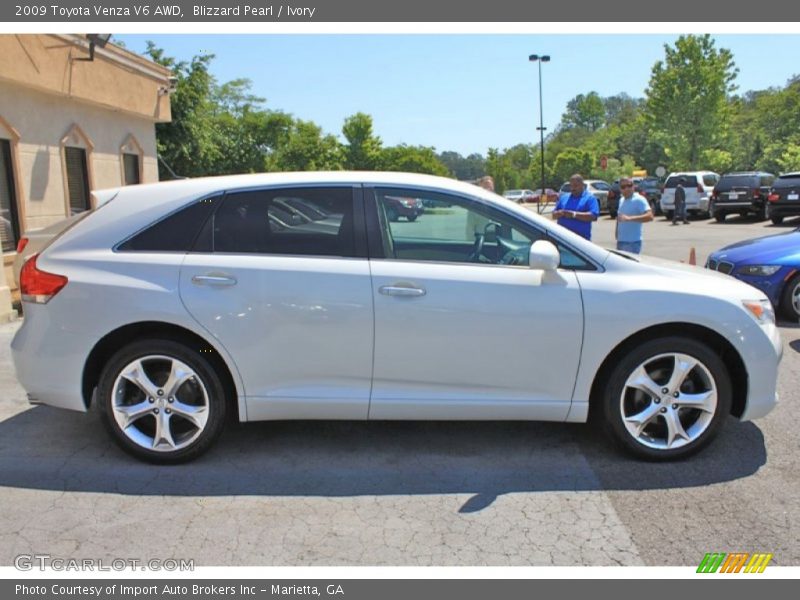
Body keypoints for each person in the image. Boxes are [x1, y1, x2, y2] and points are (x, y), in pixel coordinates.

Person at [552, 174, 599, 240]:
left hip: (581, 240)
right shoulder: (564, 197)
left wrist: (574, 215)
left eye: (575, 186)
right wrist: (558, 213)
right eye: (571, 186)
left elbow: (593, 216)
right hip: (563, 239)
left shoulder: (590, 198)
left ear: (582, 185)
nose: (573, 188)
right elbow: (553, 215)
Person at [615, 177, 653, 254]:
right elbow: (619, 217)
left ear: (633, 186)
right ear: (620, 189)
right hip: (621, 241)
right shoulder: (621, 200)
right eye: (623, 187)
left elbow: (650, 216)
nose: (627, 188)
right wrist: (617, 232)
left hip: (633, 243)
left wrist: (629, 218)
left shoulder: (639, 199)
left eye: (629, 185)